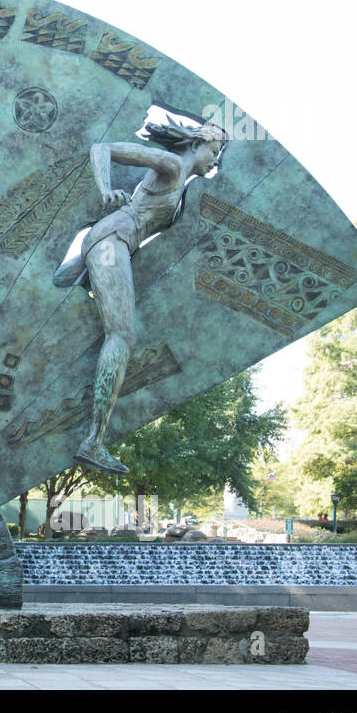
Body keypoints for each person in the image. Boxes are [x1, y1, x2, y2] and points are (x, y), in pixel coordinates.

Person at [52, 111, 228, 476]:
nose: (216, 161)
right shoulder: (171, 165)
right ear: (198, 144)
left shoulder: (182, 181)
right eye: (215, 150)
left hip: (114, 244)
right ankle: (93, 442)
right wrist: (105, 189)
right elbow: (102, 148)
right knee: (122, 334)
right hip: (111, 239)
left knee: (56, 293)